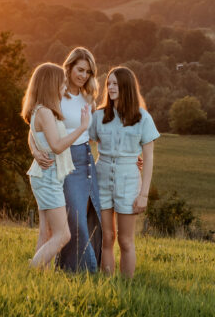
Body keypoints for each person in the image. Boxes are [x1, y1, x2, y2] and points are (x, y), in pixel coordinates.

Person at [28, 47, 103, 272]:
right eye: (80, 70)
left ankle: (57, 271)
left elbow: (95, 131)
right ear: (68, 67)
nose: (83, 76)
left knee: (92, 218)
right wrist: (34, 150)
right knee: (73, 223)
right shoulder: (56, 95)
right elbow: (35, 130)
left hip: (86, 160)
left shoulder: (88, 97)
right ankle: (82, 271)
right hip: (63, 161)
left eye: (88, 72)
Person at [91, 66, 159, 278]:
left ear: (126, 86)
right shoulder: (99, 115)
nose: (110, 87)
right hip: (102, 176)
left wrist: (143, 194)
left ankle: (127, 286)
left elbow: (148, 158)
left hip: (129, 180)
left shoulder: (142, 118)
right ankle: (107, 282)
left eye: (115, 83)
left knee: (125, 240)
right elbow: (82, 142)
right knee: (107, 237)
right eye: (108, 84)